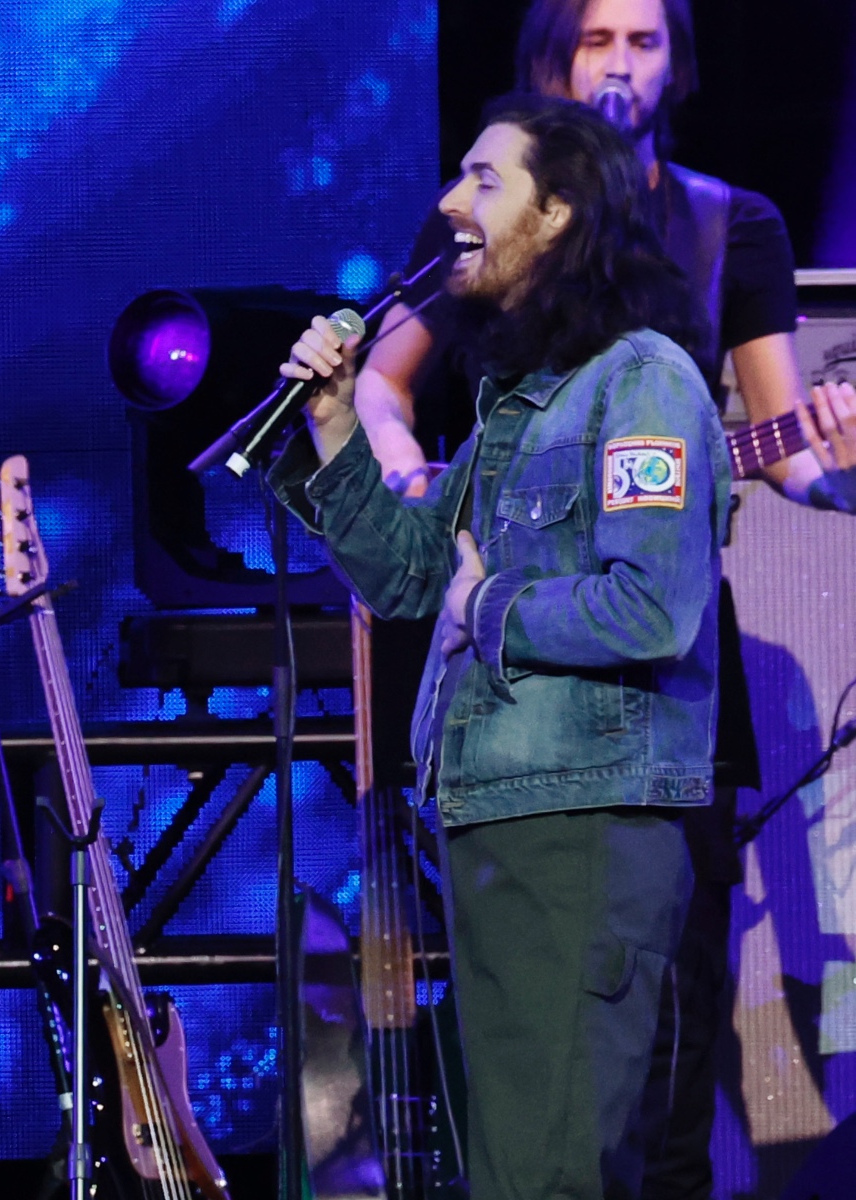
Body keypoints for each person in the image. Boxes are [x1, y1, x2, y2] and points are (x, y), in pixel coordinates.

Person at [352, 3, 856, 1194]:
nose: (620, 63)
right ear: (549, 57)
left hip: (641, 671)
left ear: (679, 62)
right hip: (510, 696)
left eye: (643, 40)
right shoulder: (496, 214)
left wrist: (829, 466)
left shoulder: (731, 223)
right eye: (597, 39)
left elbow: (777, 442)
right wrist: (402, 470)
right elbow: (387, 378)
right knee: (525, 1041)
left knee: (661, 1010)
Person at [273, 95, 725, 1198]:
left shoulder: (641, 382)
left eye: (483, 177)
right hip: (497, 829)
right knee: (514, 1169)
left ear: (560, 212)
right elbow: (411, 577)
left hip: (577, 833)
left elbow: (648, 610)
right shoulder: (520, 404)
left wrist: (491, 611)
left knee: (548, 1173)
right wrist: (335, 424)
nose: (447, 201)